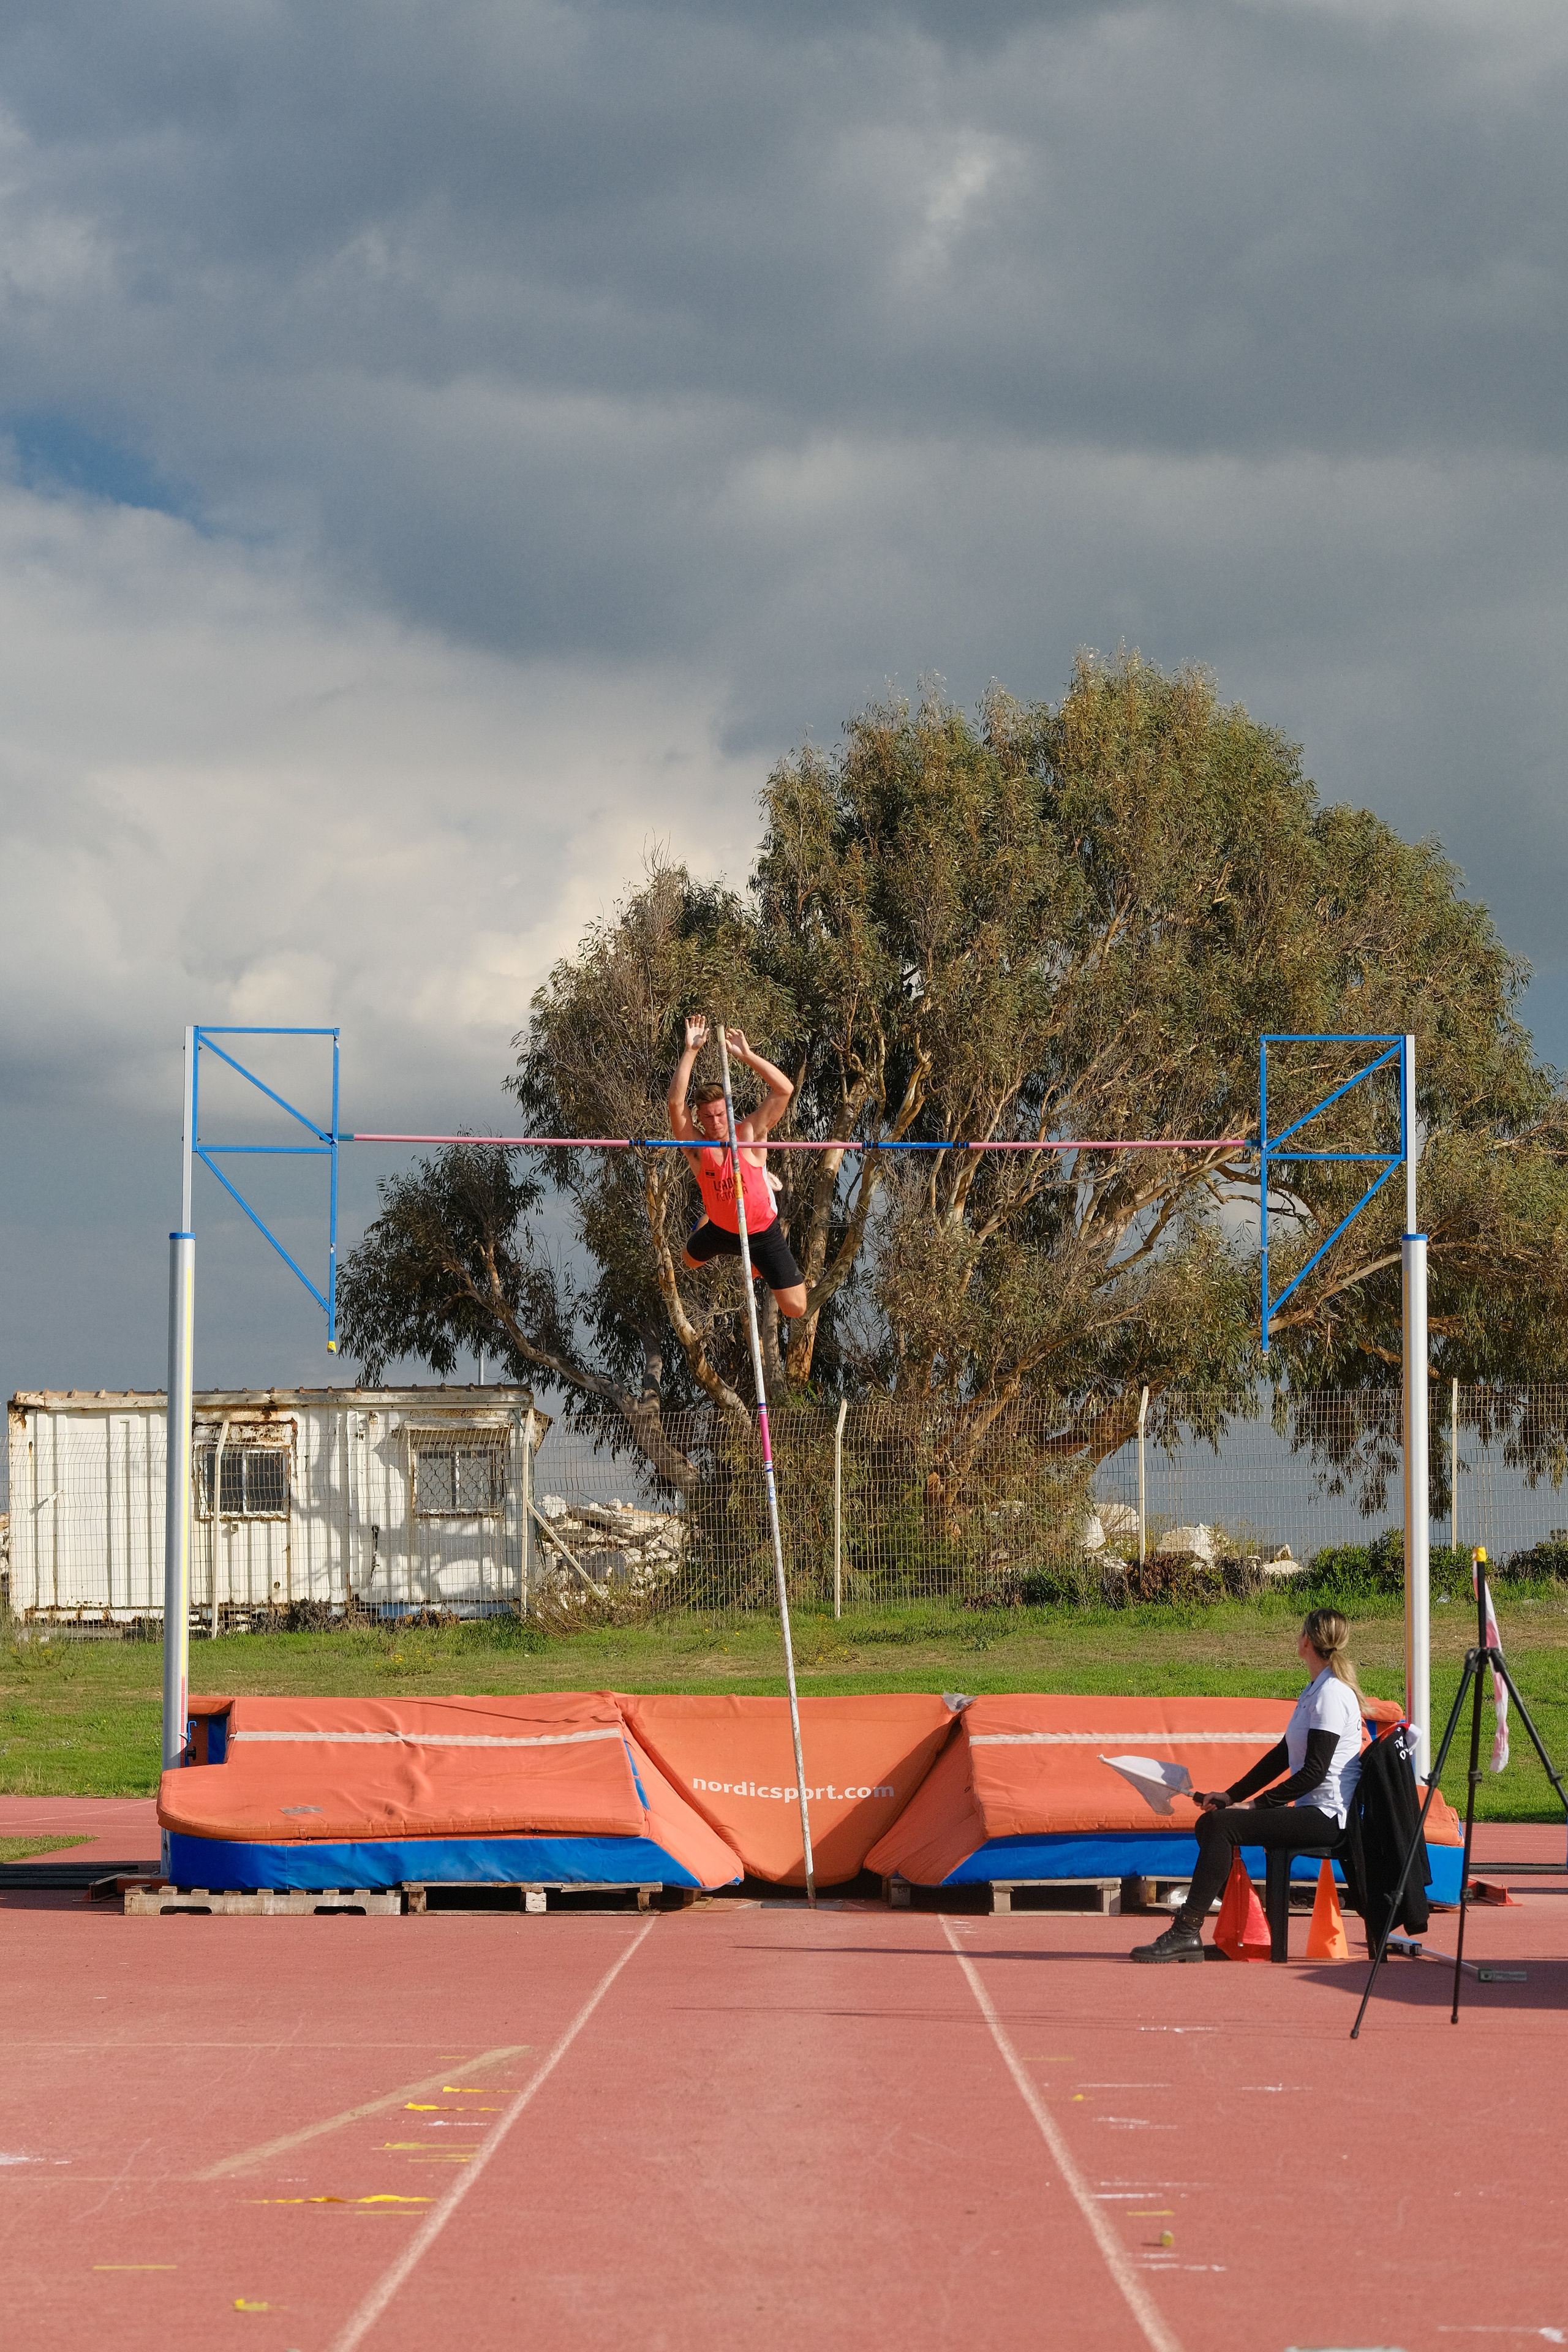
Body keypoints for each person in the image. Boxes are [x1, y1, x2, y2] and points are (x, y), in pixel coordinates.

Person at [1130, 1608, 1367, 1963]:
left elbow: (1314, 1773)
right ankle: (1244, 1928)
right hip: (1311, 1810)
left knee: (1220, 1825)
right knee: (1213, 1820)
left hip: (1327, 1817)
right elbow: (1281, 1756)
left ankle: (1186, 1931)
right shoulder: (1315, 1690)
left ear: (1306, 1640)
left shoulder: (1332, 1694)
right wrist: (1230, 1796)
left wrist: (1255, 1806)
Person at [668, 1014, 807, 1319]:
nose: (716, 1122)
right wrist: (690, 1052)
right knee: (688, 1260)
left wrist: (747, 1055)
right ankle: (710, 1216)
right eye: (708, 1117)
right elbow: (676, 1108)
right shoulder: (698, 1149)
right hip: (720, 1230)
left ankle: (762, 1262)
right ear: (700, 1118)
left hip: (762, 1233)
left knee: (796, 1308)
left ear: (729, 1111)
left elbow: (784, 1090)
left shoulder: (749, 1134)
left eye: (720, 1114)